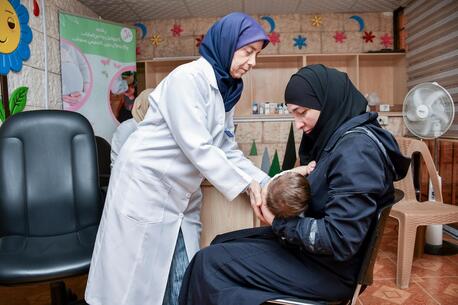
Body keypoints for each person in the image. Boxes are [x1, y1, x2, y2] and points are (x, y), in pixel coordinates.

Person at [178, 64, 410, 305]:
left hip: (330, 271)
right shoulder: (341, 139)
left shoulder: (357, 151)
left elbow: (340, 239)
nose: (298, 123)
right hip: (320, 259)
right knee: (222, 243)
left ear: (326, 101)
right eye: (293, 114)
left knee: (210, 263)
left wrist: (279, 222)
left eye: (302, 112)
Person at [85, 12, 270, 305]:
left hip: (178, 197)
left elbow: (226, 148)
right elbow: (198, 146)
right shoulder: (187, 79)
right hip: (146, 186)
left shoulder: (227, 91)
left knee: (181, 275)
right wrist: (247, 186)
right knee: (132, 283)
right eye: (248, 52)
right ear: (225, 44)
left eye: (257, 54)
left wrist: (264, 182)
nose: (253, 62)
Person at [110, 88, 153, 167]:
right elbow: (117, 163)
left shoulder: (160, 128)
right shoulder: (127, 128)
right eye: (151, 106)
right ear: (141, 105)